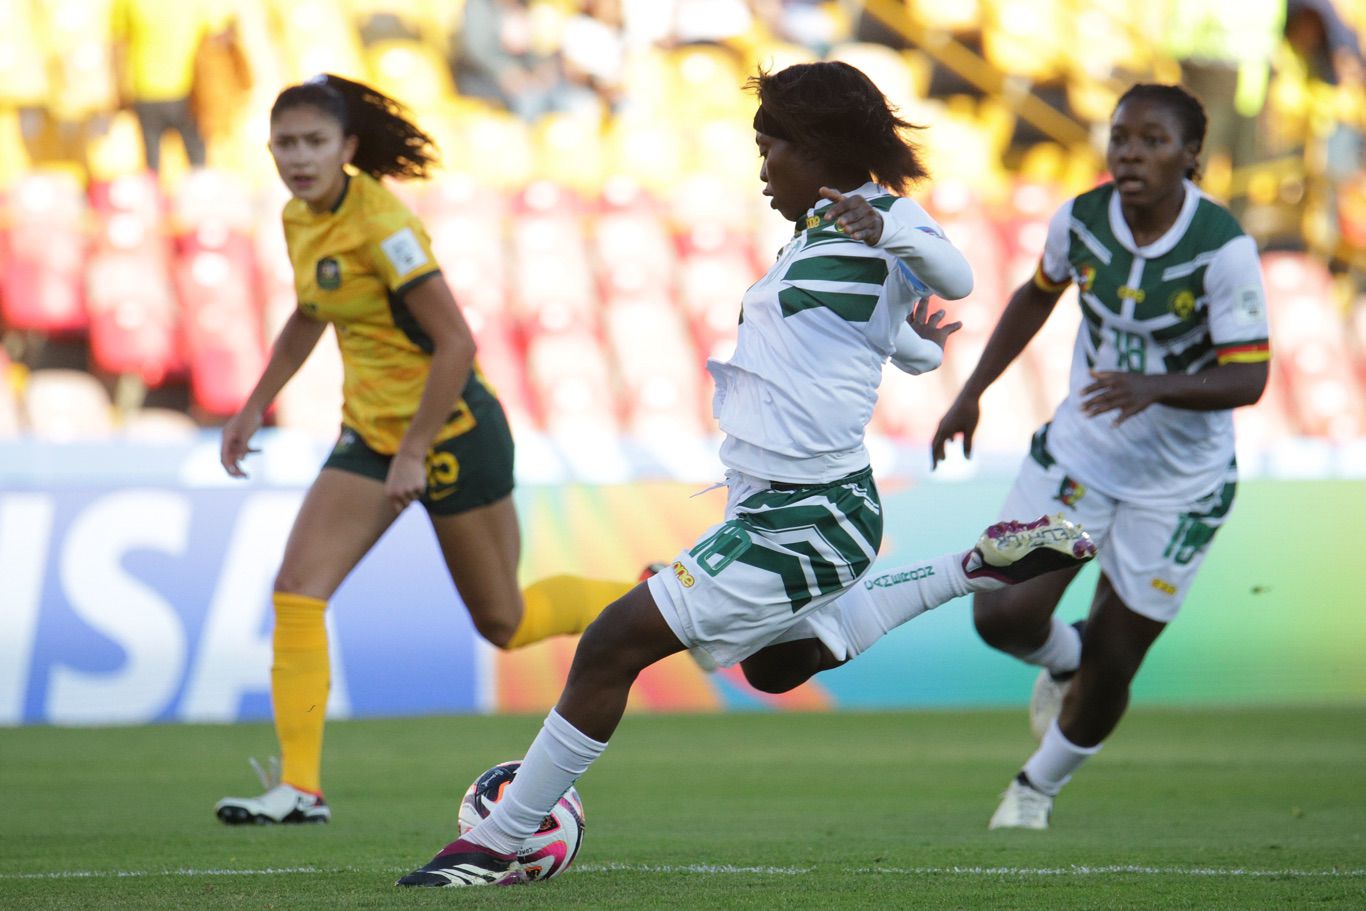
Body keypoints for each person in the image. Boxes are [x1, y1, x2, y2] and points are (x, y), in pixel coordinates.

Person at [395, 60, 1097, 887]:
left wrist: (893, 239)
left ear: (819, 146)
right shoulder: (816, 240)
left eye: (772, 149)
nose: (762, 169)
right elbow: (881, 333)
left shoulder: (879, 216)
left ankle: (497, 840)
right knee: (772, 666)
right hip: (783, 505)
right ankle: (969, 568)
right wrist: (916, 341)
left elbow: (960, 274)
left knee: (613, 643)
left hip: (808, 511)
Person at [213, 73, 637, 826]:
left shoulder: (385, 225)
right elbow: (311, 312)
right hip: (370, 436)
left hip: (453, 433)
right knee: (298, 589)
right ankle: (300, 789)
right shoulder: (298, 217)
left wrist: (414, 451)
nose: (299, 157)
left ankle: (657, 598)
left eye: (315, 142)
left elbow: (456, 342)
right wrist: (253, 403)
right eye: (285, 143)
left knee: (503, 621)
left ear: (348, 147)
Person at [930, 83, 1271, 830]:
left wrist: (1156, 386)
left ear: (1190, 157)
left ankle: (1031, 791)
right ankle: (1062, 655)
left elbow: (1250, 377)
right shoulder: (1081, 220)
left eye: (1152, 140)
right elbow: (1035, 294)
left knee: (1116, 661)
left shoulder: (1222, 249)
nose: (1130, 152)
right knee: (1001, 613)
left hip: (1178, 489)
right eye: (1121, 137)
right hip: (1079, 462)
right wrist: (972, 391)